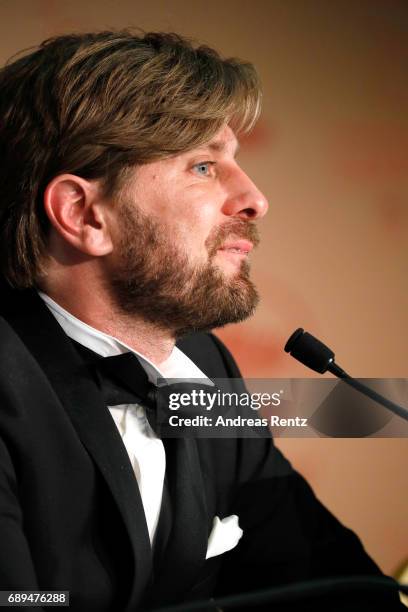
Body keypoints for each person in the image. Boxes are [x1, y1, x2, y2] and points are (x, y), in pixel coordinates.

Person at [0, 31, 403, 611]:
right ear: (84, 214)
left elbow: (331, 582)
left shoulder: (207, 368)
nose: (255, 199)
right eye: (204, 166)